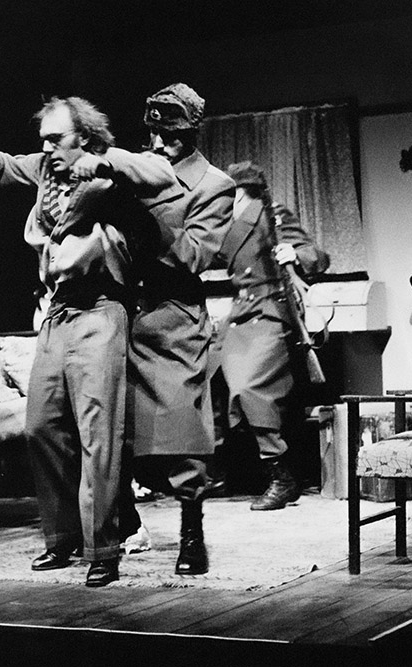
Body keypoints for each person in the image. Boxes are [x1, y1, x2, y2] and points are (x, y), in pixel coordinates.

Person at [0, 96, 175, 587]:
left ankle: (103, 546)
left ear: (84, 136)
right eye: (44, 139)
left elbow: (161, 176)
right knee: (40, 424)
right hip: (57, 313)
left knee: (98, 435)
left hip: (101, 308)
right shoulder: (45, 168)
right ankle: (61, 539)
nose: (47, 147)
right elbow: (8, 164)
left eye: (56, 138)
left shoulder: (108, 167)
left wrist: (103, 160)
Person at [122, 83, 235, 575]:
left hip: (172, 320)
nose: (159, 145)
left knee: (180, 432)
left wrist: (145, 211)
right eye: (152, 134)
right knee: (110, 430)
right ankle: (123, 524)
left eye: (170, 136)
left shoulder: (214, 185)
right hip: (119, 313)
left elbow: (192, 255)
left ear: (191, 133)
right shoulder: (133, 171)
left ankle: (192, 531)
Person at [212, 161, 330, 510]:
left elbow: (316, 255)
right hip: (240, 316)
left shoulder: (272, 215)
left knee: (249, 388)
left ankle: (281, 475)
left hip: (270, 313)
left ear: (240, 190)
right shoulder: (223, 223)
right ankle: (224, 471)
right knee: (208, 377)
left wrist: (294, 253)